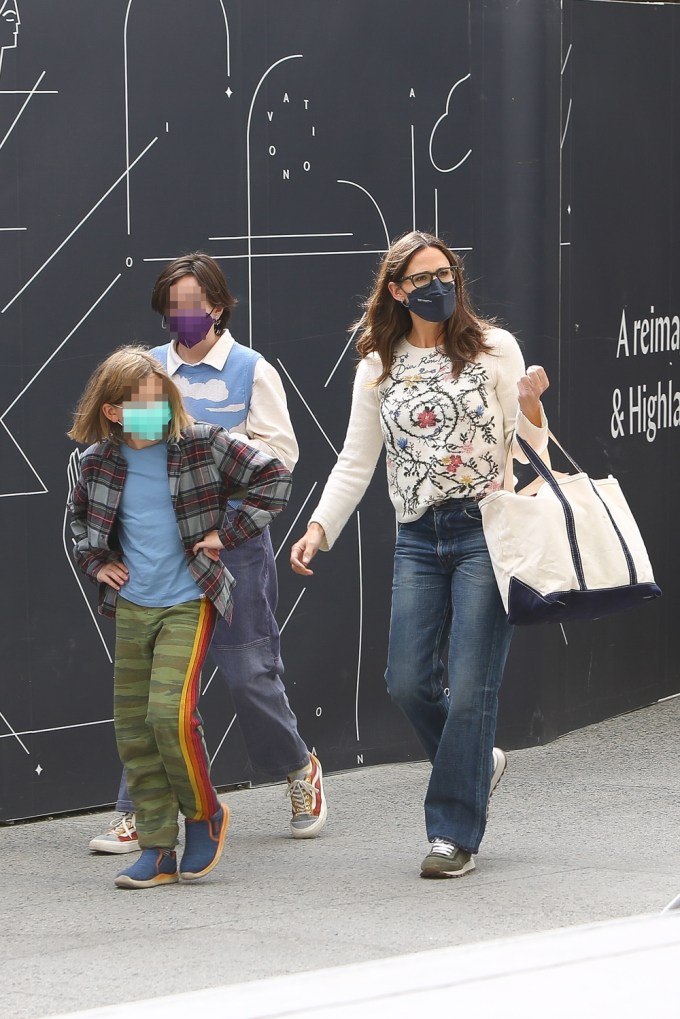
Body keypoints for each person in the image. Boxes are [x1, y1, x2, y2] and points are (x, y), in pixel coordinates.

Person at [290, 230, 549, 879]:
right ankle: (477, 762)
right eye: (424, 276)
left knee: (470, 686)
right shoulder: (378, 365)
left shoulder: (494, 348)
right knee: (405, 680)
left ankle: (451, 830)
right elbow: (355, 460)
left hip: (484, 530)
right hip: (417, 536)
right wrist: (318, 528)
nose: (440, 285)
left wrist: (533, 407)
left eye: (448, 273)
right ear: (398, 289)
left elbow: (530, 446)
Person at [89, 253, 327, 856]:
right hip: (159, 553)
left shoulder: (250, 370)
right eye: (172, 305)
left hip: (232, 546)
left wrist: (205, 443)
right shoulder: (149, 370)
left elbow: (282, 457)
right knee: (157, 686)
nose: (181, 315)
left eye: (192, 304)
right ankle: (138, 811)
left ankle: (300, 771)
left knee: (249, 672)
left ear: (217, 307)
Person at [68, 347, 292, 888]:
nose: (158, 410)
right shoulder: (97, 460)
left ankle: (204, 815)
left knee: (169, 715)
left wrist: (227, 533)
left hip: (189, 600)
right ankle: (157, 848)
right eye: (142, 403)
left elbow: (274, 479)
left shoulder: (201, 445)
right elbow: (79, 523)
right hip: (132, 607)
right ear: (114, 411)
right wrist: (99, 562)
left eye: (161, 400)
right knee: (134, 728)